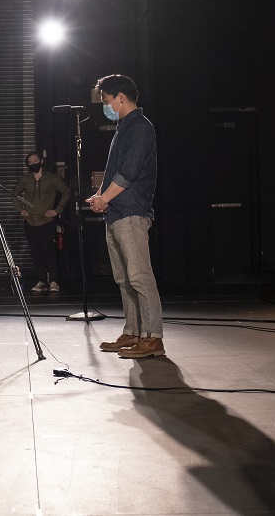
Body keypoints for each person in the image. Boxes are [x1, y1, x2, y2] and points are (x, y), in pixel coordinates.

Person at [87, 74, 165, 359]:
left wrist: (103, 198)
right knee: (124, 278)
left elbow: (130, 172)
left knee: (139, 276)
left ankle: (153, 337)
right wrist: (101, 197)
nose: (106, 105)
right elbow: (115, 173)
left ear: (121, 97)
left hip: (131, 211)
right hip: (116, 212)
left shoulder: (140, 128)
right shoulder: (123, 127)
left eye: (107, 100)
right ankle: (133, 331)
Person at [12, 151, 71, 292]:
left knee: (49, 251)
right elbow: (14, 194)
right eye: (30, 162)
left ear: (41, 161)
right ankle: (42, 280)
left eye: (35, 161)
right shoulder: (25, 179)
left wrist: (57, 210)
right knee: (36, 252)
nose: (33, 163)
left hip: (47, 221)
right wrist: (21, 210)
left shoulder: (51, 178)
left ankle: (54, 281)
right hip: (30, 222)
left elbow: (66, 191)